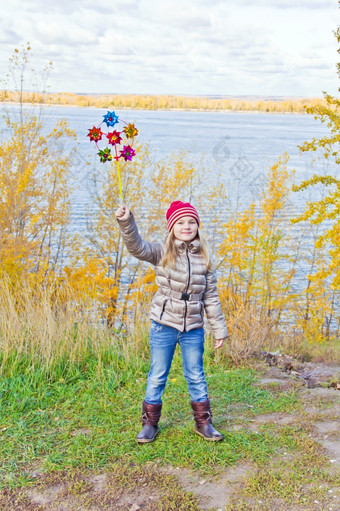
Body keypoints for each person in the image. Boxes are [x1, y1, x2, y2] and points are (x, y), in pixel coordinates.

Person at [115, 200, 229, 444]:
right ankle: (149, 424)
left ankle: (204, 423)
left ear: (197, 226)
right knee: (158, 374)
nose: (186, 226)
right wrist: (126, 221)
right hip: (164, 324)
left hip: (193, 328)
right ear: (172, 227)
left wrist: (219, 328)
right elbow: (136, 247)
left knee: (196, 374)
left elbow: (211, 297)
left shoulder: (205, 259)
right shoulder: (160, 252)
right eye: (180, 222)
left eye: (191, 222)